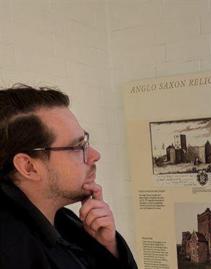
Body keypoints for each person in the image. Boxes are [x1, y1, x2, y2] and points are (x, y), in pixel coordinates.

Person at [0, 85, 137, 268]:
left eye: (86, 141)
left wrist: (107, 247)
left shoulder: (65, 220)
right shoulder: (11, 250)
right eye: (77, 147)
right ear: (29, 166)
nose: (95, 155)